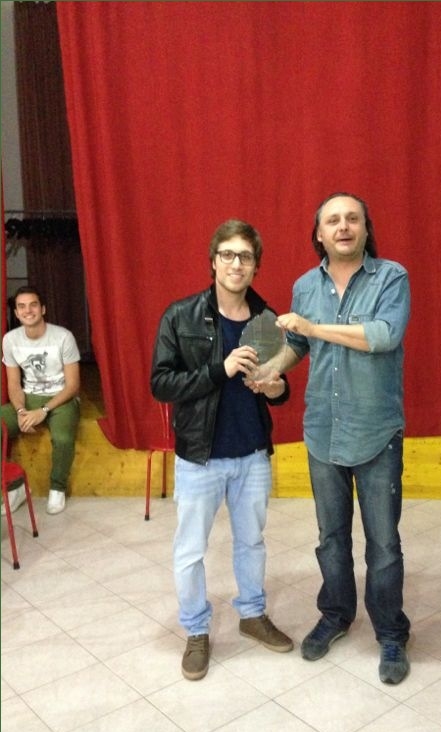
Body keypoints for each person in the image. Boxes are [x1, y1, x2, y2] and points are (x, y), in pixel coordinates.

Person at [248, 192, 411, 684]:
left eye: (352, 219)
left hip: (376, 430)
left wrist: (313, 327)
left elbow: (383, 335)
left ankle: (391, 632)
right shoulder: (305, 285)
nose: (343, 227)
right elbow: (297, 344)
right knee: (331, 539)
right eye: (333, 221)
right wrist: (271, 372)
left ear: (365, 228)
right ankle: (336, 614)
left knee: (384, 544)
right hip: (323, 430)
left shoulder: (391, 277)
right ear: (319, 234)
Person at [150, 218, 293, 681]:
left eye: (245, 257)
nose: (236, 264)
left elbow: (279, 386)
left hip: (252, 454)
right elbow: (161, 384)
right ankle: (196, 630)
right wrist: (220, 369)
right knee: (191, 549)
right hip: (200, 456)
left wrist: (276, 389)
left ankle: (252, 614)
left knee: (252, 541)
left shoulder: (266, 318)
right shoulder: (181, 316)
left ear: (255, 266)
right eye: (228, 254)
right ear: (213, 261)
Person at [1, 285, 81, 516]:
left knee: (63, 438)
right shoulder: (10, 339)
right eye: (22, 307)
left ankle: (57, 488)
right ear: (16, 313)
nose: (28, 311)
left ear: (43, 309)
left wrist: (43, 410)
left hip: (61, 398)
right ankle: (14, 488)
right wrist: (20, 411)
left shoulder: (63, 337)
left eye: (33, 305)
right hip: (29, 397)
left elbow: (73, 385)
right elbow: (13, 383)